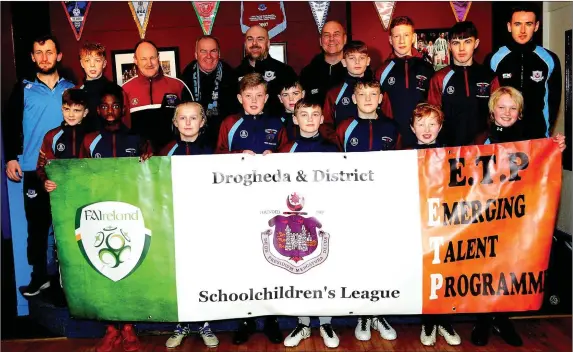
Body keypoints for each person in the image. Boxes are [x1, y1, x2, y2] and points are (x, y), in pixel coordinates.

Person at [471, 86, 565, 347]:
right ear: (492, 110)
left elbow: (542, 167)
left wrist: (556, 146)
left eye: (513, 108)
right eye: (501, 107)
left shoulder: (532, 140)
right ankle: (483, 319)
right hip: (485, 214)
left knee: (510, 267)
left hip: (516, 215)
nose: (506, 112)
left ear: (520, 113)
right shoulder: (480, 139)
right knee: (485, 266)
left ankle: (502, 318)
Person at [78, 83, 151, 352]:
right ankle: (111, 329)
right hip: (99, 215)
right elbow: (78, 175)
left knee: (128, 268)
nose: (111, 110)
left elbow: (149, 173)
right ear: (98, 109)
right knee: (104, 268)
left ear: (123, 108)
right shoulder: (89, 140)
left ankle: (129, 328)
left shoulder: (136, 138)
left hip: (129, 213)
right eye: (105, 106)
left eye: (116, 105)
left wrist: (148, 156)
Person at [2, 34, 75, 297]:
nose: (44, 57)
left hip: (67, 169)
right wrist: (11, 157)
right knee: (37, 226)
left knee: (65, 226)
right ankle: (39, 277)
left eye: (49, 52)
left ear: (59, 55)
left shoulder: (72, 88)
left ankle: (64, 280)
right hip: (34, 167)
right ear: (33, 57)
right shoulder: (23, 89)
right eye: (39, 52)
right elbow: (10, 124)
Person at [409, 105, 461, 347]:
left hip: (445, 221)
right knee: (424, 273)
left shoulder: (452, 154)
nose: (426, 129)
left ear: (440, 127)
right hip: (417, 221)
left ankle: (444, 320)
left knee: (444, 272)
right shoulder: (403, 154)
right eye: (421, 124)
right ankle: (427, 321)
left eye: (432, 124)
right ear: (412, 128)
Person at [484, 4, 562, 140]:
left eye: (529, 24)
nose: (523, 30)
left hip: (536, 136)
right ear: (509, 26)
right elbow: (486, 101)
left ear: (536, 26)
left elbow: (553, 102)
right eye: (517, 24)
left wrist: (546, 132)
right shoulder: (494, 58)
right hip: (501, 137)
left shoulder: (549, 59)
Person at [427, 21, 498, 147]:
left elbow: (498, 115)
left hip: (483, 148)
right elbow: (432, 118)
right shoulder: (439, 78)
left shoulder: (489, 77)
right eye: (456, 43)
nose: (461, 48)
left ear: (476, 43)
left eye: (467, 42)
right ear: (449, 45)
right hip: (449, 149)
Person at [122, 40, 193, 153]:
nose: (149, 63)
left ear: (158, 57)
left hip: (173, 154)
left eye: (152, 58)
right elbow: (123, 129)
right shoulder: (125, 90)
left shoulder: (178, 86)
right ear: (135, 60)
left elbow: (195, 122)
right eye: (143, 59)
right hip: (139, 157)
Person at [376, 16, 435, 149]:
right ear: (390, 40)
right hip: (393, 139)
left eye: (406, 35)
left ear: (413, 37)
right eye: (397, 36)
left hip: (423, 138)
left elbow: (434, 104)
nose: (402, 40)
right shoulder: (382, 71)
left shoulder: (427, 68)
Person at [180, 35, 240, 148]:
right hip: (195, 139)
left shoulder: (231, 76)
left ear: (219, 54)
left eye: (213, 51)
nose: (209, 56)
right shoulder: (185, 77)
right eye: (203, 51)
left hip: (225, 139)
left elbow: (236, 113)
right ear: (196, 54)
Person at [216, 72, 288, 156]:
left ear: (266, 98)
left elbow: (286, 154)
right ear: (240, 98)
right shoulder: (229, 123)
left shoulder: (276, 123)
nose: (254, 100)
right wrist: (240, 154)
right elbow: (219, 153)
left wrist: (273, 155)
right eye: (248, 96)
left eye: (259, 95)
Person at [235, 25, 298, 117]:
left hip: (277, 128)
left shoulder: (285, 71)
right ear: (245, 44)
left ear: (268, 43)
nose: (254, 43)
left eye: (260, 39)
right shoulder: (235, 74)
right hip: (243, 129)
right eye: (250, 39)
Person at [320, 40, 374, 147]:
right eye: (352, 58)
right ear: (344, 62)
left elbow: (386, 120)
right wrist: (339, 143)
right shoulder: (334, 93)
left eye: (362, 58)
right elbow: (326, 125)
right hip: (345, 150)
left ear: (368, 61)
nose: (357, 62)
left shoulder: (377, 90)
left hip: (373, 147)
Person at [37, 89, 90, 191]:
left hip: (87, 190)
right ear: (62, 109)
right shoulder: (51, 136)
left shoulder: (93, 136)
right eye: (67, 109)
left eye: (76, 110)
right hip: (61, 191)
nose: (71, 115)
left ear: (85, 112)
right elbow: (41, 165)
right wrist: (45, 181)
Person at [76, 42, 129, 132]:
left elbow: (126, 122)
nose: (92, 65)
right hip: (85, 143)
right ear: (82, 63)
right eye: (87, 60)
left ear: (104, 64)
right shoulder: (76, 92)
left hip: (110, 141)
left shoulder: (116, 90)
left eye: (97, 60)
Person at [336, 80, 399, 154]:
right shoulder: (344, 128)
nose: (368, 99)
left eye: (373, 94)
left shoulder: (391, 127)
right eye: (362, 94)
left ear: (380, 98)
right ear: (354, 99)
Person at [299, 21, 349, 104]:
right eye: (326, 35)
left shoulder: (357, 71)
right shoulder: (307, 73)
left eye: (336, 34)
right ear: (320, 41)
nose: (331, 39)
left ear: (345, 39)